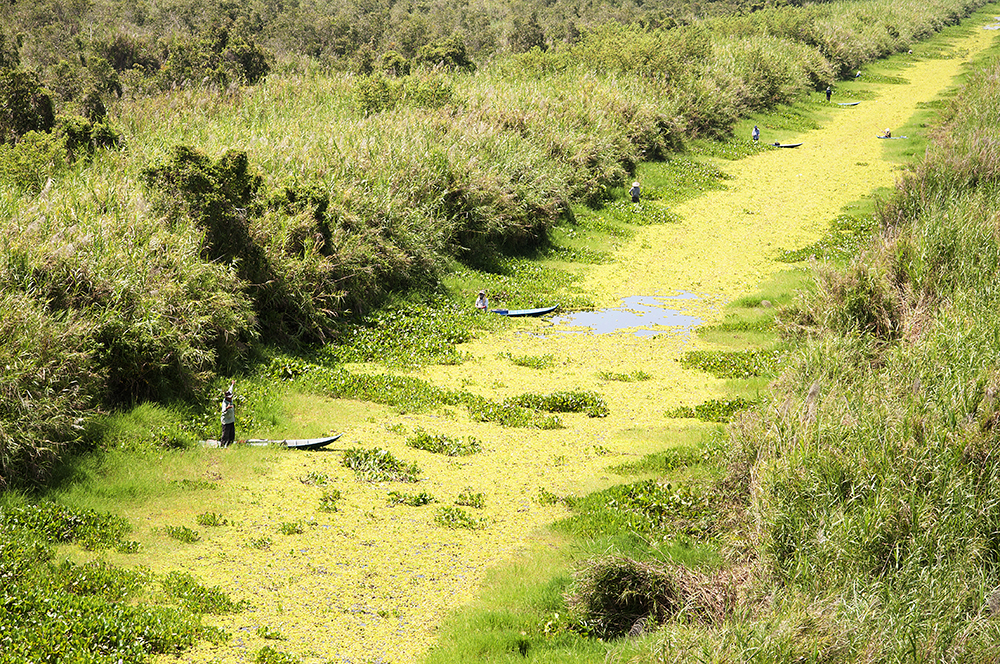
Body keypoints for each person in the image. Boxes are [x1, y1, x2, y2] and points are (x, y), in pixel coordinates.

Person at [220, 380, 236, 447]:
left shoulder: (230, 398)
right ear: (226, 398)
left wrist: (232, 384)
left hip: (231, 420)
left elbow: (230, 390)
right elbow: (223, 410)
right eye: (229, 398)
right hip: (226, 422)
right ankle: (222, 446)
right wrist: (227, 408)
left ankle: (230, 446)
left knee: (232, 435)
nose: (231, 398)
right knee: (225, 435)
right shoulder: (224, 403)